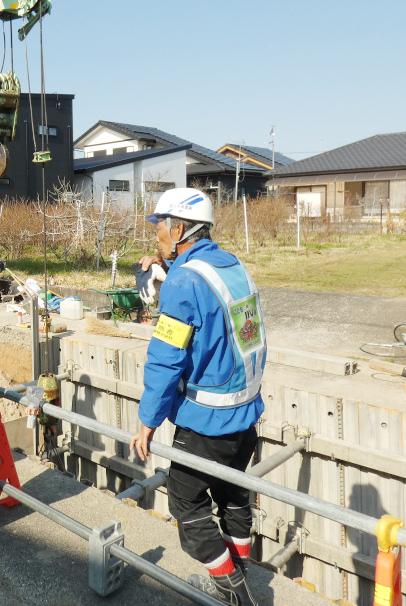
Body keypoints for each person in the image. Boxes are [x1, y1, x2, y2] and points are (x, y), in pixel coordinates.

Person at [129, 188, 266, 606]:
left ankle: (236, 595)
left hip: (207, 420)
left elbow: (166, 359)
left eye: (160, 229)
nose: (156, 238)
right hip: (245, 413)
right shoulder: (231, 266)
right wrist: (168, 271)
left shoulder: (185, 282)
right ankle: (241, 575)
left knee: (187, 505)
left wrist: (147, 422)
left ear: (180, 228)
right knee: (233, 496)